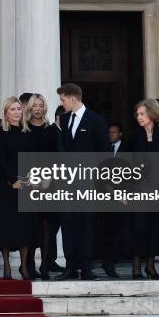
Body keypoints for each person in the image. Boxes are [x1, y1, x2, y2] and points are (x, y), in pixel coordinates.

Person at [56, 83, 110, 281]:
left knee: (87, 224)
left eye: (62, 99)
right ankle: (70, 266)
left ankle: (86, 267)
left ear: (73, 98)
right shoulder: (64, 119)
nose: (61, 104)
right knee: (68, 223)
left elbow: (104, 152)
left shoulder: (96, 120)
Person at [124, 99, 159, 280]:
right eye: (137, 114)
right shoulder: (132, 137)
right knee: (139, 227)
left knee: (157, 228)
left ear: (152, 114)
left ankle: (151, 267)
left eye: (142, 114)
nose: (139, 117)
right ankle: (136, 267)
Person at [0, 97, 40, 280]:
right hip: (5, 186)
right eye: (13, 109)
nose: (17, 112)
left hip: (26, 185)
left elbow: (33, 158)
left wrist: (31, 178)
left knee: (24, 228)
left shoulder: (28, 132)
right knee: (5, 227)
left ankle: (24, 266)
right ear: (6, 112)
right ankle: (6, 267)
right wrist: (12, 179)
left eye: (19, 108)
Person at [26, 93, 63, 280]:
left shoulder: (51, 130)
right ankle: (30, 265)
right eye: (35, 105)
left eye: (41, 105)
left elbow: (57, 157)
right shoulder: (24, 130)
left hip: (49, 184)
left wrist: (48, 178)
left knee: (48, 227)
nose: (38, 108)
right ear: (30, 108)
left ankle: (45, 266)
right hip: (29, 184)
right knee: (31, 226)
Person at [101, 123, 127, 278]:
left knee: (122, 229)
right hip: (105, 196)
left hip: (123, 196)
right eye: (109, 132)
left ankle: (111, 261)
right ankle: (107, 260)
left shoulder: (126, 149)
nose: (111, 135)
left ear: (120, 134)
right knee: (107, 231)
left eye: (114, 132)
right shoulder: (104, 148)